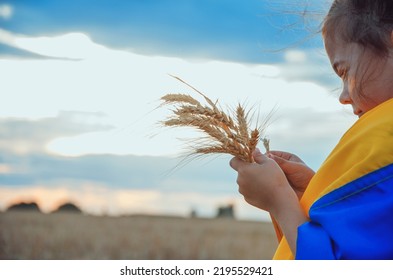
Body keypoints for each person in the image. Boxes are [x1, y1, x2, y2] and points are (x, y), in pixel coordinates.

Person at [230, 0, 393, 260]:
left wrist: (280, 201)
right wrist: (313, 193)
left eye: (344, 71)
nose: (343, 97)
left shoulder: (385, 136)